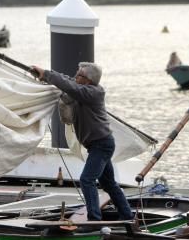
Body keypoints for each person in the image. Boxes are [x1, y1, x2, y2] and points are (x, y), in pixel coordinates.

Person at [29, 61, 133, 221]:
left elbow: (71, 87)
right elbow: (68, 82)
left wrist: (47, 74)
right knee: (109, 184)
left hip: (102, 145)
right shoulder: (81, 91)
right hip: (97, 145)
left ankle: (94, 220)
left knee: (87, 180)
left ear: (89, 80)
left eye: (79, 75)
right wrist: (45, 76)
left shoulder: (93, 93)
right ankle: (127, 216)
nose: (75, 76)